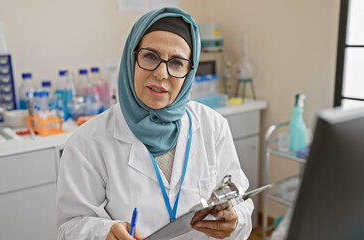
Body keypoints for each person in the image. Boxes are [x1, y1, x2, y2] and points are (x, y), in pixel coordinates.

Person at [56, 7, 253, 240]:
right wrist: (103, 233)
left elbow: (238, 201)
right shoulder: (87, 142)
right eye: (150, 56)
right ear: (132, 57)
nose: (161, 73)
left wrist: (235, 220)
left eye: (177, 62)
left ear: (190, 72)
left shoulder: (213, 127)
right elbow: (69, 227)